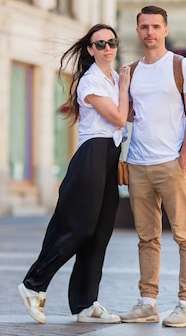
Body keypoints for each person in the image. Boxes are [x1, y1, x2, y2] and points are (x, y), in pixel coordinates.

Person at [18, 24, 130, 324]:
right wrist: (124, 88)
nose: (108, 48)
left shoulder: (114, 77)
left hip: (109, 158)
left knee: (100, 233)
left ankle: (84, 303)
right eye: (101, 43)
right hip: (91, 157)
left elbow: (129, 114)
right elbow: (119, 117)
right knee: (78, 229)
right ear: (91, 50)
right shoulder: (91, 81)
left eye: (112, 42)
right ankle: (33, 284)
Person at [119, 5, 186, 328]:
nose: (149, 32)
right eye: (144, 27)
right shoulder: (131, 72)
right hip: (138, 164)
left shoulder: (182, 67)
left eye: (155, 26)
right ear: (137, 31)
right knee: (147, 237)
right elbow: (126, 116)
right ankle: (148, 302)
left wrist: (182, 158)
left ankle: (185, 304)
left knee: (185, 235)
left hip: (172, 164)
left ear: (166, 30)